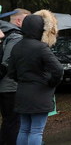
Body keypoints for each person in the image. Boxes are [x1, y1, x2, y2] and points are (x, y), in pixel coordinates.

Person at [7, 10, 63, 145]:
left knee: (24, 129)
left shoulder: (17, 47)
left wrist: (23, 80)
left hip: (22, 93)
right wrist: (51, 82)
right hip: (40, 94)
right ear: (40, 29)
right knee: (36, 131)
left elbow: (11, 72)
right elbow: (58, 69)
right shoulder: (41, 48)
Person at [0, 8, 30, 145]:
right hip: (10, 87)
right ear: (19, 21)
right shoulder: (16, 37)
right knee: (12, 122)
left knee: (9, 121)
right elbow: (7, 63)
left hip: (5, 86)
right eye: (27, 21)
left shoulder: (4, 33)